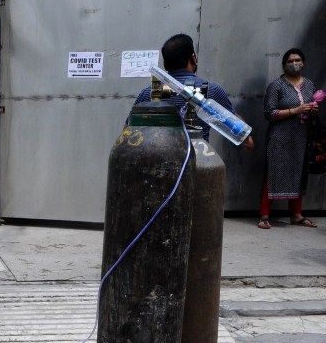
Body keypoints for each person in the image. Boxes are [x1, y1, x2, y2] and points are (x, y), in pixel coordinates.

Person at [134, 33, 255, 151]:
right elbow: (237, 128)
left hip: (157, 158)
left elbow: (128, 131)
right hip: (197, 159)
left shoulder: (147, 93)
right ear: (193, 57)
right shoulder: (211, 90)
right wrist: (248, 140)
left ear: (165, 64)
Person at [257, 48, 320, 229]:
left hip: (301, 137)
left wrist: (313, 110)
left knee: (298, 174)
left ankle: (296, 215)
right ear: (284, 64)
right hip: (279, 137)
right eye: (291, 61)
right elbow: (269, 113)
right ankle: (264, 215)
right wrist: (295, 110)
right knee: (273, 174)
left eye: (298, 60)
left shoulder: (309, 85)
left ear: (304, 62)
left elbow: (311, 107)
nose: (295, 63)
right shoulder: (277, 86)